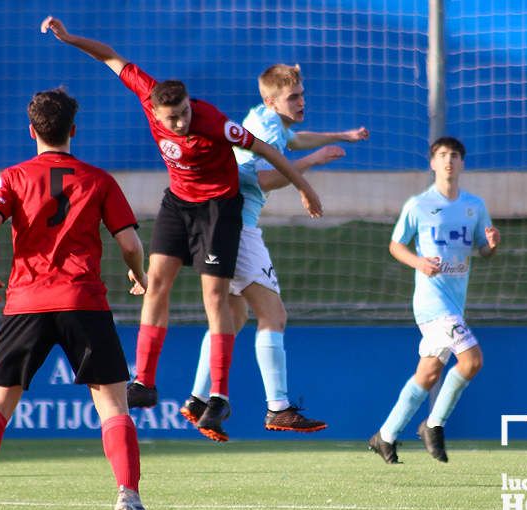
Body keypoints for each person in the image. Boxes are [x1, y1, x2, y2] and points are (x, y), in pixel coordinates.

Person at [42, 16, 323, 443]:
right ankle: (145, 383)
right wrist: (69, 38)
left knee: (218, 300)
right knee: (157, 283)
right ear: (154, 109)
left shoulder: (213, 121)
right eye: (172, 118)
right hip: (178, 202)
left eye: (185, 114)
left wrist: (305, 188)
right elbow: (110, 57)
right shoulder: (146, 92)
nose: (180, 124)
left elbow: (263, 148)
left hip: (219, 210)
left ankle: (217, 396)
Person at [0, 88, 163, 510]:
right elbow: (131, 242)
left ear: (32, 130)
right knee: (113, 406)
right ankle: (128, 494)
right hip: (83, 301)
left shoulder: (13, 176)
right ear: (73, 130)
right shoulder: (98, 179)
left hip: (26, 303)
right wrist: (138, 275)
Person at [179, 64, 369, 433]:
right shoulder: (265, 127)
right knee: (274, 314)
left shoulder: (265, 118)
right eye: (293, 97)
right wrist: (309, 168)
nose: (301, 102)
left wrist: (341, 136)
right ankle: (278, 407)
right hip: (240, 226)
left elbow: (293, 139)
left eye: (302, 94)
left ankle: (198, 399)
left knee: (233, 319)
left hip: (222, 223)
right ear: (271, 99)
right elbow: (259, 178)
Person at [368, 136, 500, 464]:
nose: (448, 161)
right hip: (431, 302)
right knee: (472, 361)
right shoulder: (419, 205)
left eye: (454, 155)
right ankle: (434, 425)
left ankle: (384, 436)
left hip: (455, 302)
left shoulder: (475, 206)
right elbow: (396, 245)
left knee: (427, 375)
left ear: (462, 163)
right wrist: (420, 262)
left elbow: (483, 250)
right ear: (432, 162)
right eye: (442, 155)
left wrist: (492, 245)